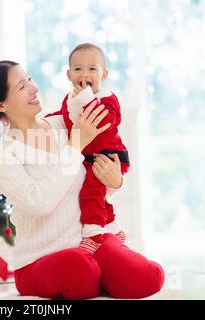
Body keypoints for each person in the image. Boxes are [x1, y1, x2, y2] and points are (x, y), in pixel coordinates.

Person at [0, 60, 165, 299]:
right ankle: (98, 278)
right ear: (1, 104)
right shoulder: (1, 152)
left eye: (29, 78)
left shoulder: (65, 122)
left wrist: (115, 181)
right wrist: (76, 145)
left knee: (150, 277)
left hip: (91, 242)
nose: (33, 88)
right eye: (22, 86)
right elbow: (40, 202)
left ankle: (100, 276)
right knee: (80, 271)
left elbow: (96, 175)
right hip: (39, 258)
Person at [47, 43, 130, 254]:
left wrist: (86, 98)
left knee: (90, 194)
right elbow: (64, 118)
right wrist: (44, 122)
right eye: (78, 69)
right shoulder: (70, 99)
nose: (85, 74)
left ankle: (92, 234)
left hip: (109, 156)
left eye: (92, 69)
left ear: (104, 74)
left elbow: (105, 121)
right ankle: (113, 228)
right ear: (68, 75)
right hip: (86, 157)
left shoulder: (107, 98)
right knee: (98, 197)